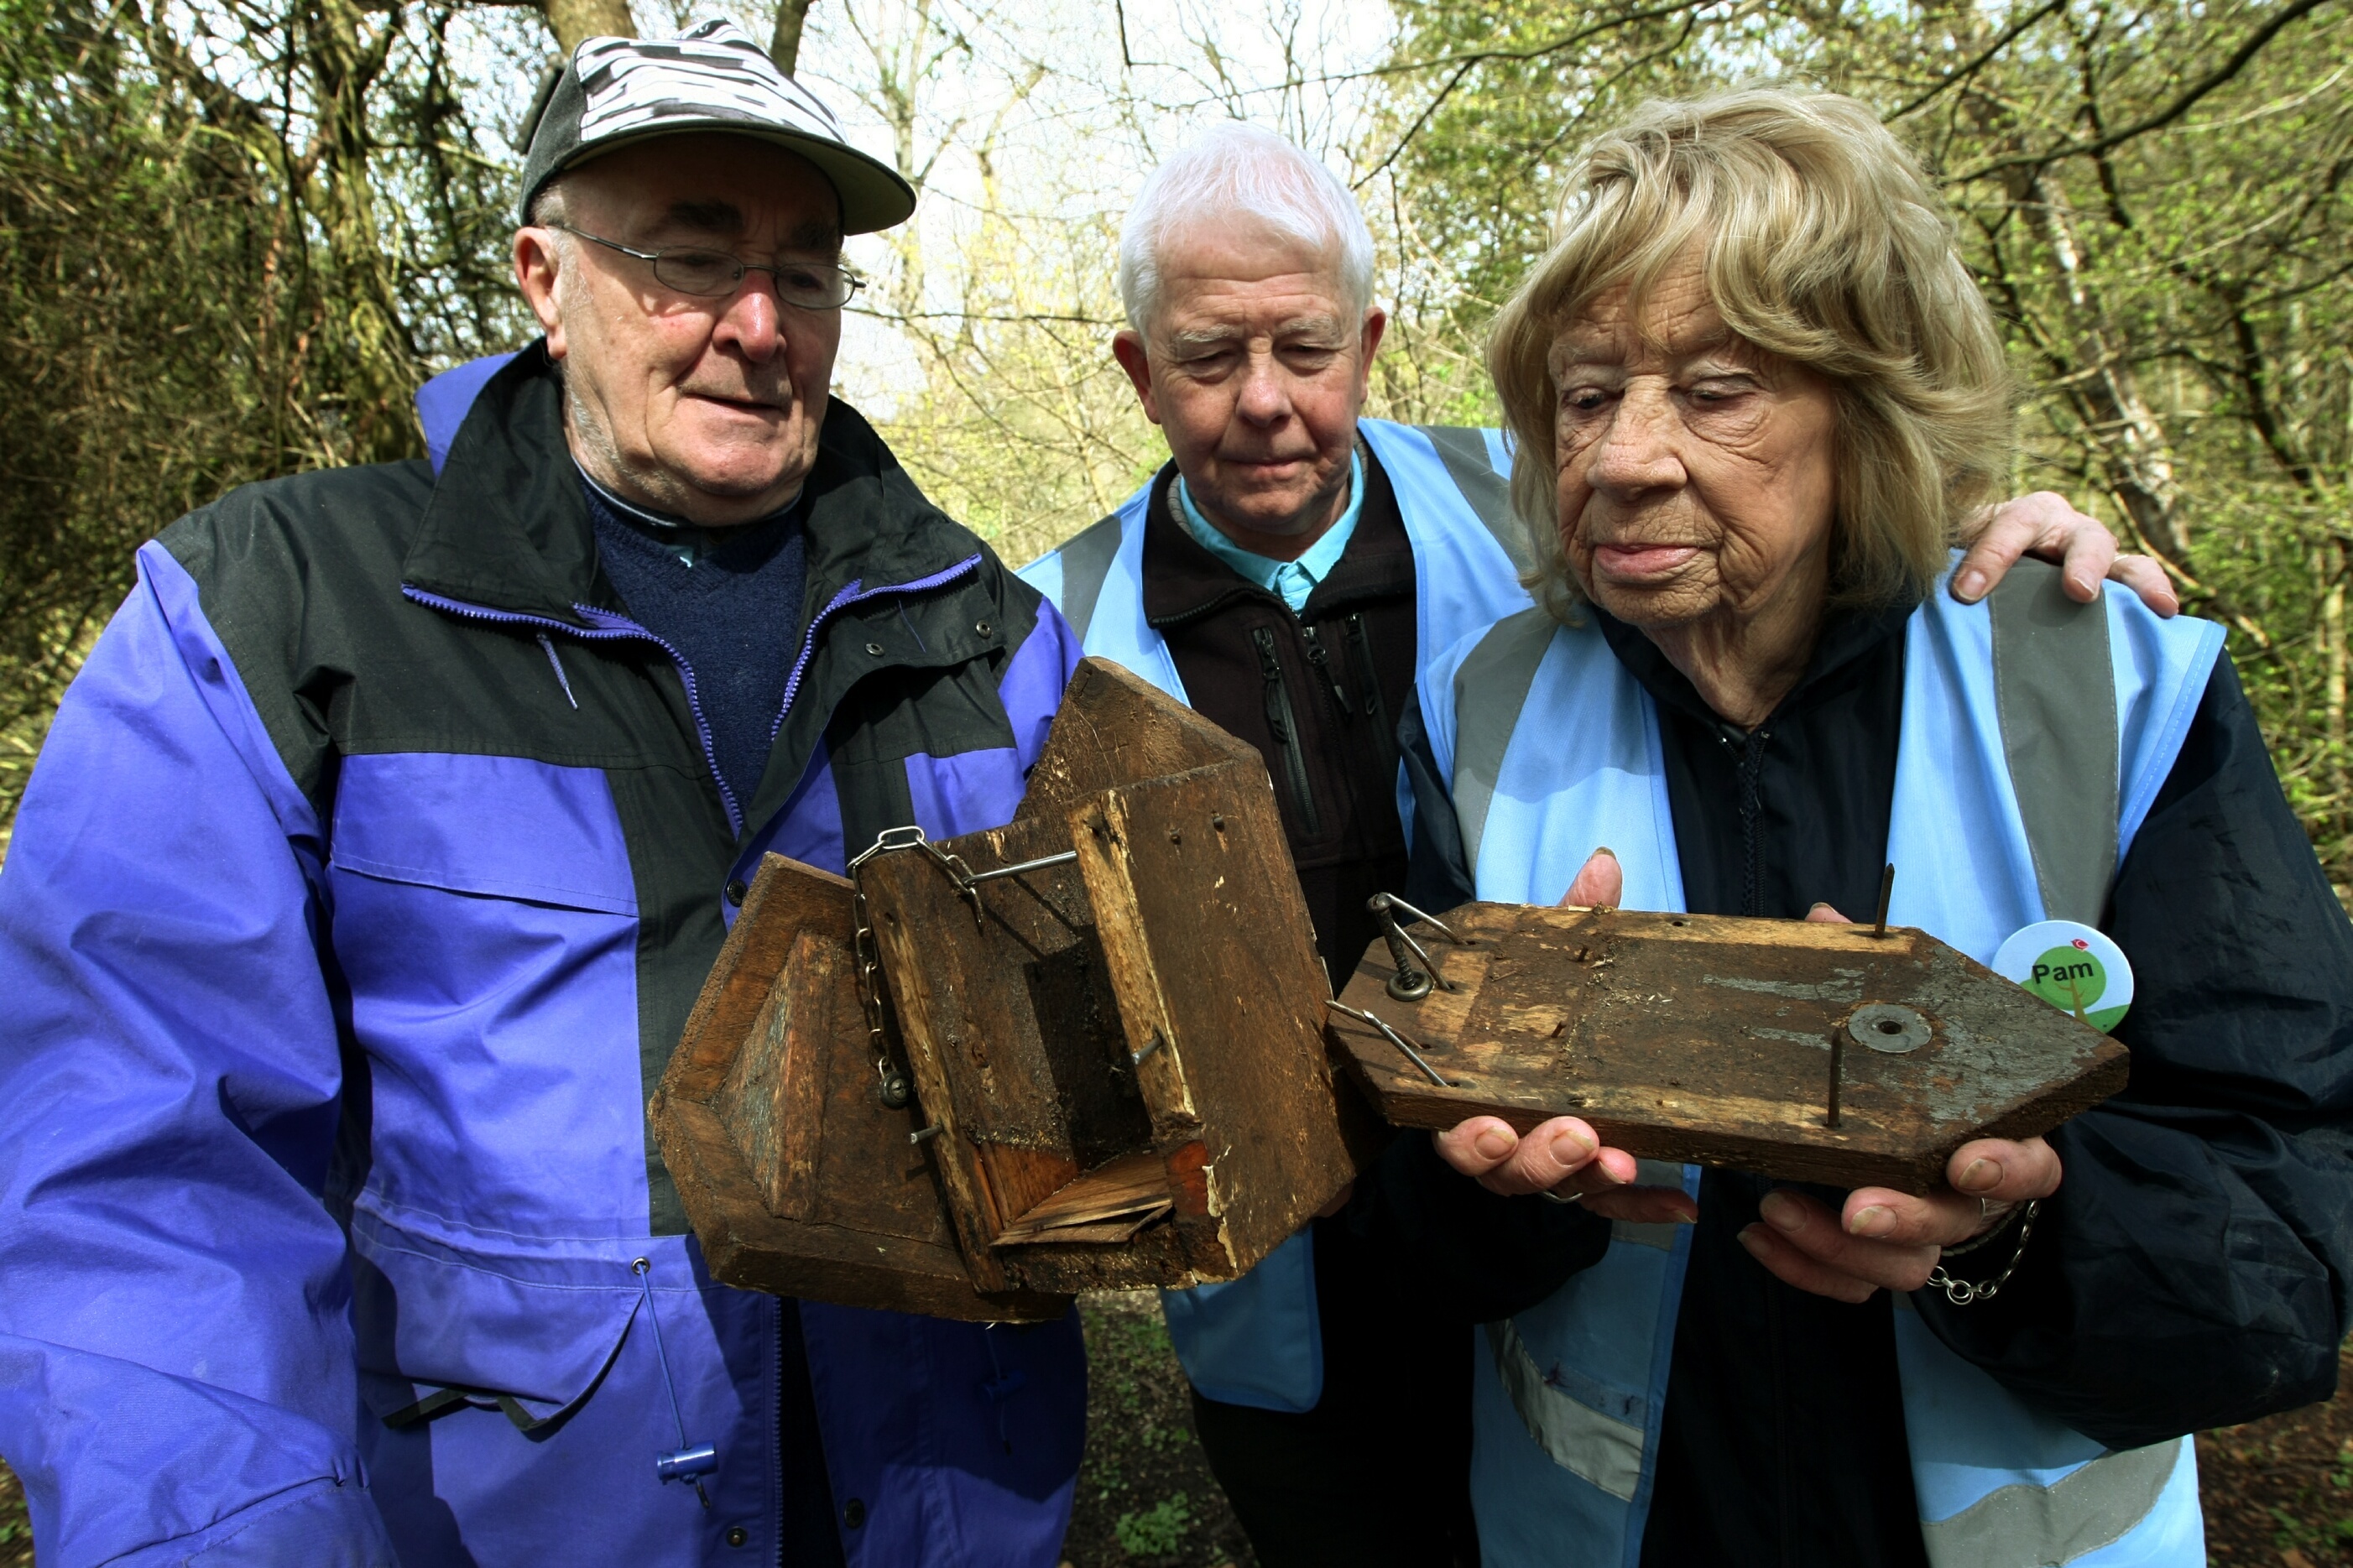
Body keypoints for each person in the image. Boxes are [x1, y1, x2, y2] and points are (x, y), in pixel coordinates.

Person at [1019, 121, 2181, 1567]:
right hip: (1307, 1299)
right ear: (1139, 372)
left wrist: (1987, 544)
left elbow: (1799, 523)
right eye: (1207, 358)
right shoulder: (1041, 641)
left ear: (1368, 343)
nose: (1266, 401)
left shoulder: (1540, 518)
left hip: (1574, 1279)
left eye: (1305, 349)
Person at [0, 22, 1087, 1566]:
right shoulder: (280, 613)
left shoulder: (980, 625)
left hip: (947, 1508)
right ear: (542, 277)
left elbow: (1122, 1029)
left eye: (809, 267)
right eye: (693, 257)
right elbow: (142, 1180)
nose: (761, 323)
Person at [1393, 89, 2353, 1566]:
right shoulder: (1483, 709)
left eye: (1717, 388)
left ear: (1869, 402)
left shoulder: (2109, 684)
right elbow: (1411, 1216)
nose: (1625, 457)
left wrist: (2010, 1235)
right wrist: (1510, 1193)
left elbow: (2292, 1240)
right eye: (1588, 395)